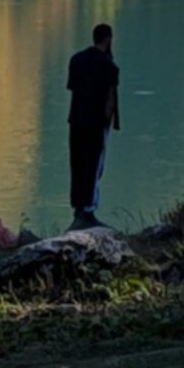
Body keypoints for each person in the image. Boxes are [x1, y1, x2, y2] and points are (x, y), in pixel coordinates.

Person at [67, 21, 120, 227]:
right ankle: (89, 211)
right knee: (94, 165)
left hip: (76, 120)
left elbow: (73, 89)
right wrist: (108, 122)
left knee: (77, 163)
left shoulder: (76, 60)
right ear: (108, 39)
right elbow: (110, 100)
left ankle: (78, 209)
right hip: (96, 124)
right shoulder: (109, 66)